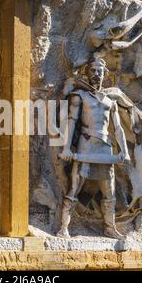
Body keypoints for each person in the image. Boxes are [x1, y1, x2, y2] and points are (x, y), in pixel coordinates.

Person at [57, 58, 130, 239]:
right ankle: (64, 227)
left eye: (100, 71)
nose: (97, 74)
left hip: (105, 148)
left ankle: (109, 227)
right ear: (87, 73)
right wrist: (66, 148)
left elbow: (118, 127)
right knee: (74, 188)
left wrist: (124, 150)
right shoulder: (80, 96)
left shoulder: (110, 100)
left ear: (105, 74)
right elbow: (71, 122)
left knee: (109, 191)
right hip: (86, 145)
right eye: (93, 71)